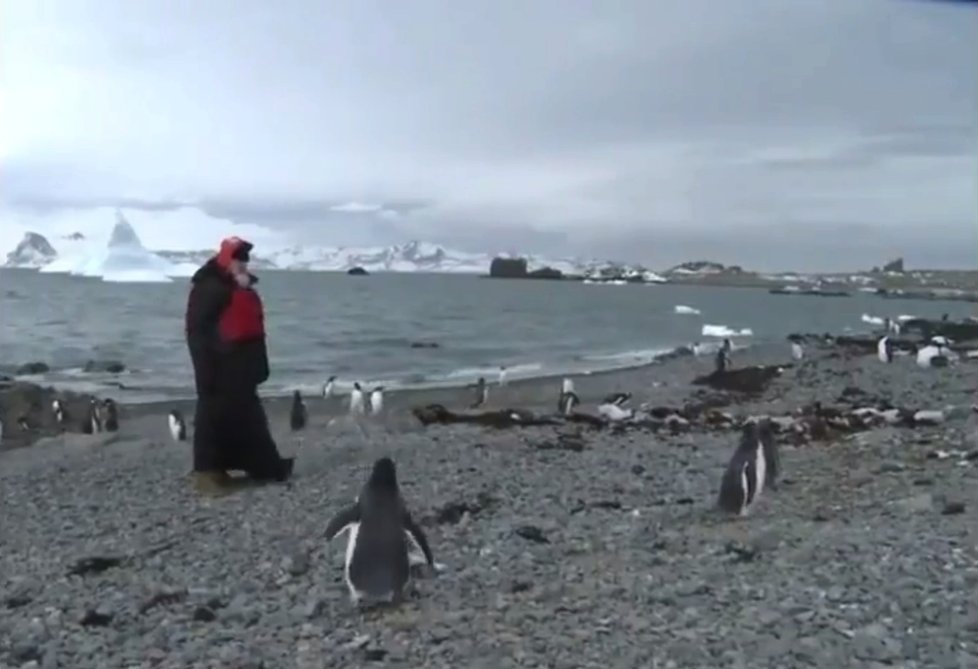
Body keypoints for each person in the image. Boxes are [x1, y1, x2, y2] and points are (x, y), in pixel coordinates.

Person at [184, 236, 294, 494]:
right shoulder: (210, 287)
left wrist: (259, 366)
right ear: (226, 259)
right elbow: (197, 331)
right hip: (219, 366)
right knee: (213, 419)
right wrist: (204, 369)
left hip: (240, 368)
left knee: (249, 420)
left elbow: (252, 329)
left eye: (244, 259)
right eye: (237, 258)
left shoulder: (235, 287)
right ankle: (208, 473)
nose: (242, 264)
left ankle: (266, 467)